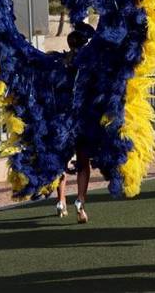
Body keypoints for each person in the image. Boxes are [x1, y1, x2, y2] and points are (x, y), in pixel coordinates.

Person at [55, 22, 94, 223]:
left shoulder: (60, 63)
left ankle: (61, 200)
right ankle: (80, 201)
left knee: (62, 160)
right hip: (83, 120)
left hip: (62, 119)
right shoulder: (89, 65)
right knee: (83, 163)